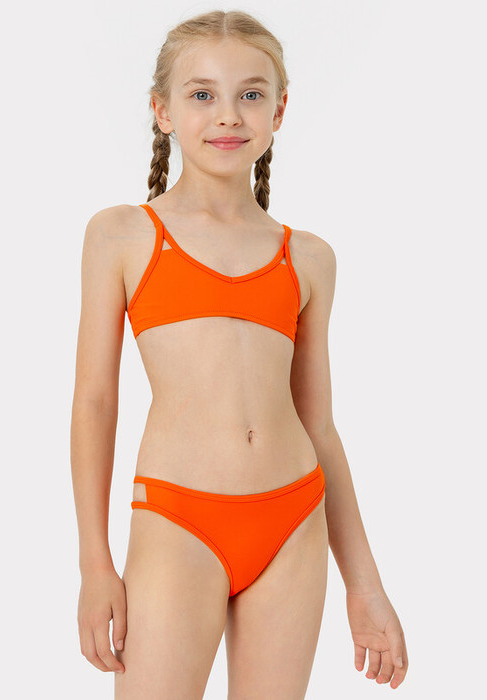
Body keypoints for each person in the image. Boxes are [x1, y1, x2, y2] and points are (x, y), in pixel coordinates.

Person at [70, 9, 408, 699]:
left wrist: (365, 586)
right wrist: (95, 564)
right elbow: (95, 404)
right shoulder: (123, 237)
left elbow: (319, 426)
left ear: (278, 110)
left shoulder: (307, 257)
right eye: (202, 94)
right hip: (177, 521)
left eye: (250, 94)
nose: (228, 114)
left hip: (293, 520)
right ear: (162, 110)